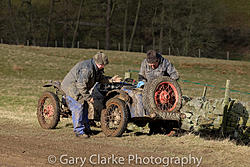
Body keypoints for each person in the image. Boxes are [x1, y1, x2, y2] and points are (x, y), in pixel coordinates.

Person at [61, 52, 121, 138]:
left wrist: (111, 80)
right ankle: (79, 131)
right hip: (72, 87)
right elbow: (81, 85)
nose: (103, 66)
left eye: (104, 65)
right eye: (101, 64)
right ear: (96, 62)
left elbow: (100, 78)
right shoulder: (87, 69)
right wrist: (89, 98)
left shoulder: (96, 68)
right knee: (78, 107)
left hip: (79, 88)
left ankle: (86, 129)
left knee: (85, 107)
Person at [138, 50, 179, 135]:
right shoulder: (144, 63)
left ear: (158, 60)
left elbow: (175, 75)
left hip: (162, 91)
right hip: (148, 90)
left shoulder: (165, 62)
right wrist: (142, 84)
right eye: (150, 65)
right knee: (149, 108)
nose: (152, 67)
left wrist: (168, 82)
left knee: (165, 109)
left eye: (154, 65)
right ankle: (154, 129)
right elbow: (141, 76)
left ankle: (168, 128)